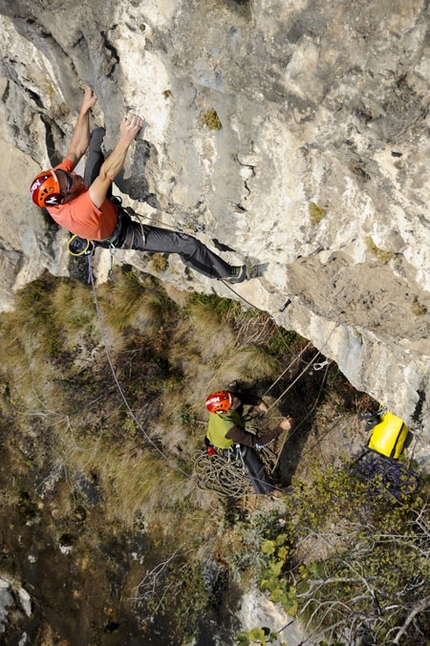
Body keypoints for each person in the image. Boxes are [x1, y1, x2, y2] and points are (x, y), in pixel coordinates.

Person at [29, 86, 248, 284]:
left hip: (95, 203)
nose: (71, 175)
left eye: (64, 174)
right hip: (123, 232)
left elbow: (75, 150)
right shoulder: (79, 209)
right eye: (69, 180)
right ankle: (226, 273)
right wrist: (125, 138)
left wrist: (85, 109)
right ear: (64, 197)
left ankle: (93, 227)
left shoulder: (57, 184)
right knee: (187, 244)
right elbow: (105, 175)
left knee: (97, 137)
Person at [205, 384, 293, 495]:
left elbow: (238, 398)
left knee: (237, 401)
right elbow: (258, 443)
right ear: (225, 411)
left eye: (231, 396)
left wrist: (259, 402)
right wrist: (280, 428)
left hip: (214, 435)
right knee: (255, 464)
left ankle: (232, 387)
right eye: (232, 401)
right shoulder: (230, 429)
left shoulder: (223, 404)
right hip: (225, 445)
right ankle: (269, 490)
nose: (236, 398)